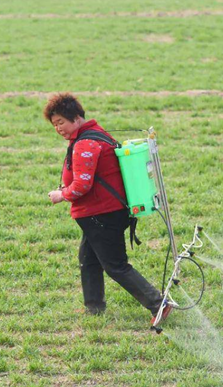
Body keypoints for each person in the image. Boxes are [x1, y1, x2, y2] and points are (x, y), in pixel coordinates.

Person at [44, 93, 171, 325]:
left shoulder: (85, 143)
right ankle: (94, 307)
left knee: (115, 266)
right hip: (103, 213)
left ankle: (158, 303)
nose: (58, 128)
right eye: (54, 125)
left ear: (76, 116)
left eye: (61, 122)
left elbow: (82, 185)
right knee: (88, 259)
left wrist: (61, 194)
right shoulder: (95, 134)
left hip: (100, 215)